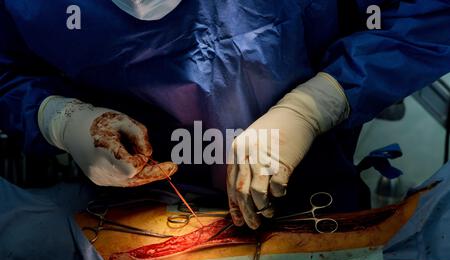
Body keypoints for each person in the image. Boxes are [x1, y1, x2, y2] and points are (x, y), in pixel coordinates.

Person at [1, 0, 450, 229]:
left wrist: (317, 103)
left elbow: (429, 15)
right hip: (125, 216)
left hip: (312, 203)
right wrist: (59, 118)